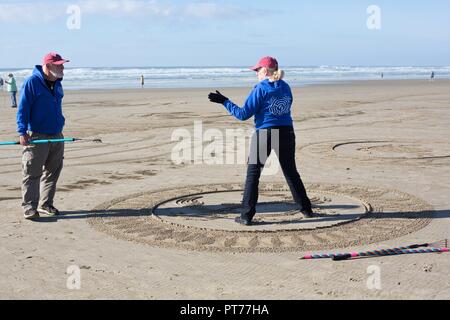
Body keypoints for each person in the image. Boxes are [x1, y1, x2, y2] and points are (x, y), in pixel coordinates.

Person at [208, 56, 313, 226]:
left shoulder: (261, 88)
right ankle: (306, 210)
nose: (256, 73)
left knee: (253, 174)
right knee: (291, 172)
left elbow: (243, 114)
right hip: (287, 132)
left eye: (257, 70)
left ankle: (246, 215)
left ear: (264, 71)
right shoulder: (286, 87)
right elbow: (286, 107)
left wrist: (224, 101)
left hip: (265, 133)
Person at [16, 52, 70, 220]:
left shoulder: (57, 83)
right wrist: (22, 131)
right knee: (32, 172)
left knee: (53, 171)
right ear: (48, 66)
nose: (62, 67)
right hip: (37, 135)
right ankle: (30, 207)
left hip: (56, 134)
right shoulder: (32, 82)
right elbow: (23, 108)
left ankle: (46, 203)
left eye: (62, 64)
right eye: (59, 64)